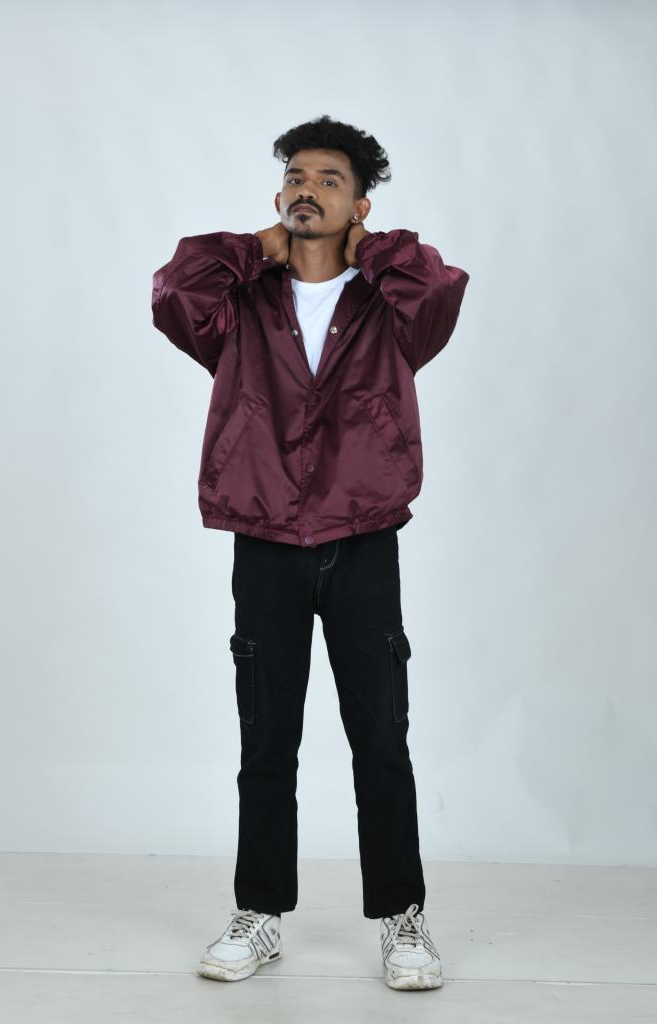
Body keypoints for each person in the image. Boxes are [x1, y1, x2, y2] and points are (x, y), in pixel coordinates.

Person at [151, 114, 469, 991]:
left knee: (381, 740)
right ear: (276, 196)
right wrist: (256, 247)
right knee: (266, 741)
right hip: (264, 540)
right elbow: (172, 295)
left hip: (362, 537)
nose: (307, 189)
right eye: (296, 176)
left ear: (361, 205)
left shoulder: (390, 303)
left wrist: (373, 250)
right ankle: (259, 914)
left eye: (330, 180)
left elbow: (439, 292)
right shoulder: (241, 302)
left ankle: (403, 919)